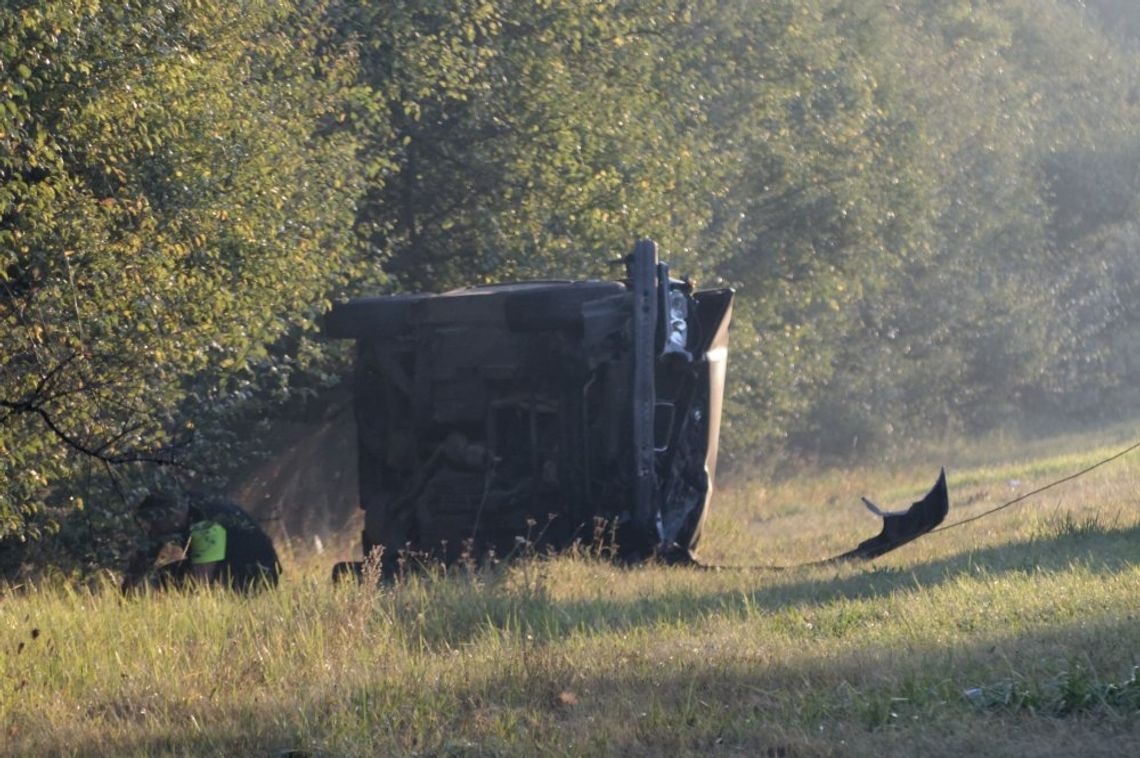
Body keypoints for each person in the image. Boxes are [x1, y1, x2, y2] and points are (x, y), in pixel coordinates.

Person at [121, 491, 281, 593]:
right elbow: (143, 561)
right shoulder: (181, 509)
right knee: (163, 577)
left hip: (254, 575)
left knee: (167, 579)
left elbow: (200, 583)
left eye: (155, 523)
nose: (152, 530)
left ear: (173, 513)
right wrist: (124, 596)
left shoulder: (207, 525)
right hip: (229, 567)